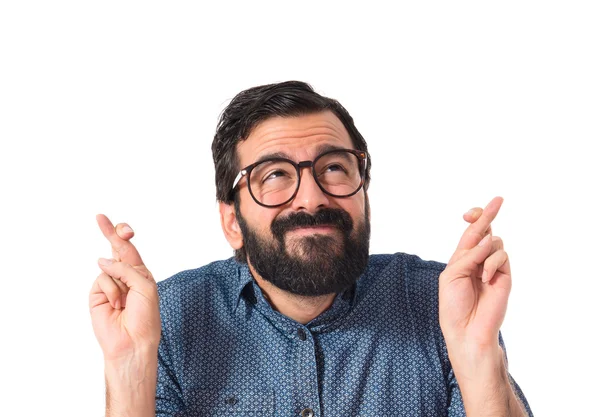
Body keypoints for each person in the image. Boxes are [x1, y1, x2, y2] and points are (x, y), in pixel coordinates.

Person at [89, 81, 533, 416]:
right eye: (276, 175)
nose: (312, 197)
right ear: (232, 222)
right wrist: (129, 368)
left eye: (334, 168)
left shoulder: (439, 303)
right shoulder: (172, 315)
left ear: (365, 198)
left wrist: (478, 357)